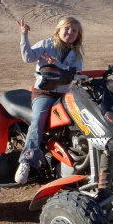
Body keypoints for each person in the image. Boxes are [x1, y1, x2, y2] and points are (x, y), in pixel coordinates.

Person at [15, 16, 84, 184]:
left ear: (78, 35)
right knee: (38, 120)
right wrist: (24, 35)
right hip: (44, 93)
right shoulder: (46, 45)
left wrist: (59, 66)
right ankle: (27, 161)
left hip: (64, 95)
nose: (70, 32)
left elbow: (76, 74)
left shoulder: (76, 53)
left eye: (74, 30)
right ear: (58, 30)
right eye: (67, 28)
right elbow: (28, 57)